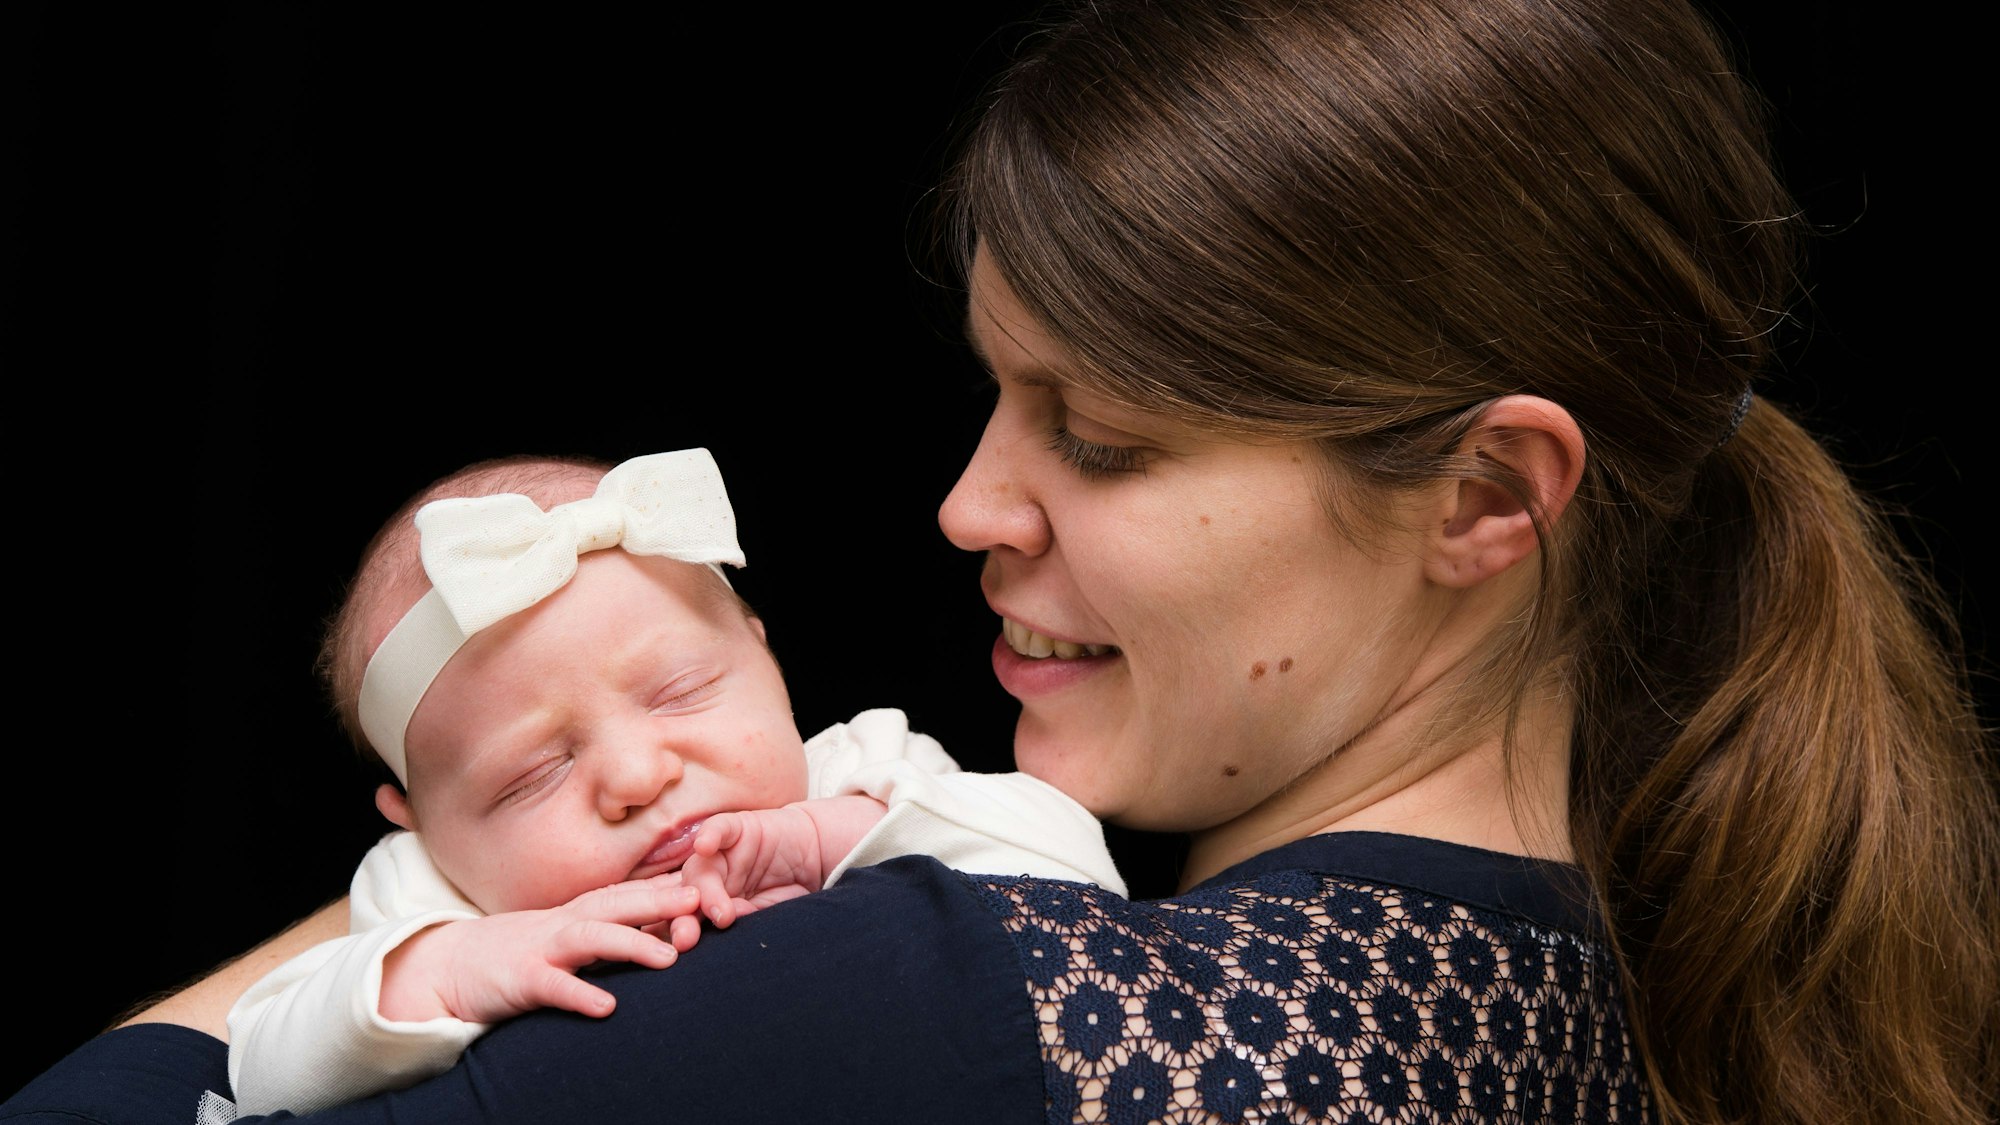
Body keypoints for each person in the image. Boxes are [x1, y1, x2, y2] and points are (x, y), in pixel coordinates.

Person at [5, 0, 1995, 1122]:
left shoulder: (914, 1012)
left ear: (1487, 495)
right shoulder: (1646, 1017)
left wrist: (444, 865)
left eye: (1101, 436)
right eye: (992, 396)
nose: (967, 504)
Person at [221, 447, 1125, 1117]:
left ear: (764, 657)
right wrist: (457, 972)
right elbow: (259, 1060)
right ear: (420, 823)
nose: (638, 775)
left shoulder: (860, 771)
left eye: (683, 693)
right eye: (532, 774)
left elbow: (1079, 876)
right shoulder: (430, 895)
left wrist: (830, 836)